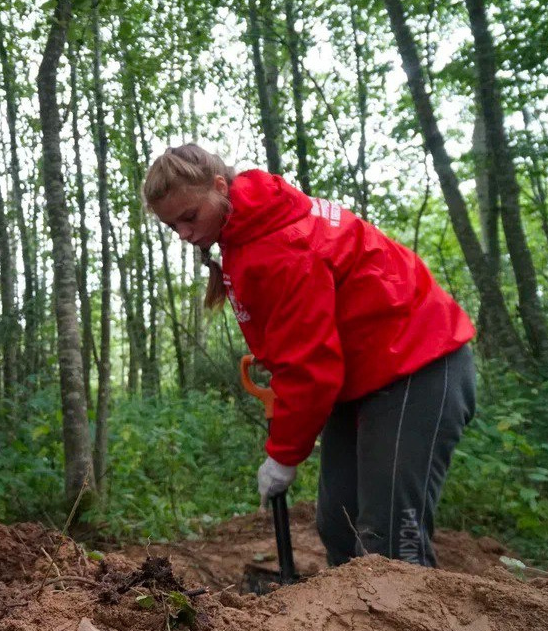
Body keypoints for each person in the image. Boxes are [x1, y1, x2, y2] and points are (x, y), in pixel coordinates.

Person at [142, 144, 477, 568]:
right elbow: (299, 339)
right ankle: (351, 613)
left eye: (190, 217)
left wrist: (283, 455)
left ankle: (410, 610)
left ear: (220, 187)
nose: (185, 233)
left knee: (391, 538)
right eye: (173, 226)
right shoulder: (244, 235)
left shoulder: (280, 242)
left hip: (420, 362)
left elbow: (309, 365)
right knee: (340, 525)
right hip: (362, 376)